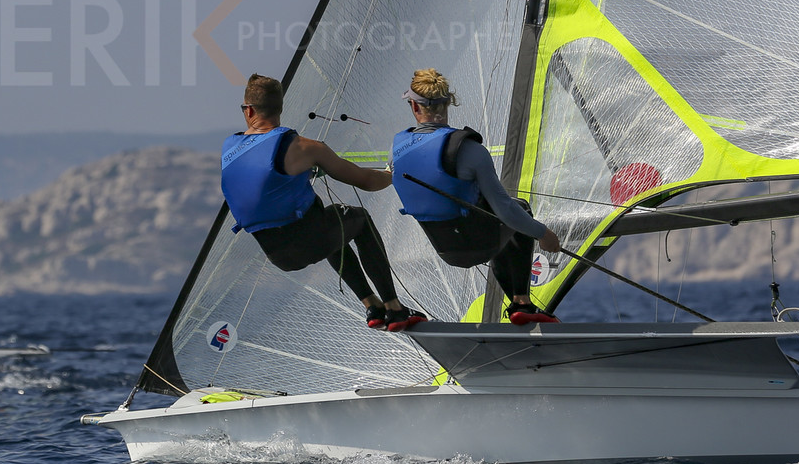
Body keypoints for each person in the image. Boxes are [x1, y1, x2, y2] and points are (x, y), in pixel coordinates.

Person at [222, 73, 424, 331]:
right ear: (280, 108)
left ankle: (372, 305)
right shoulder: (305, 148)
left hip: (279, 257)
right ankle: (394, 307)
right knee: (357, 218)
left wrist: (301, 174)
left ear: (248, 110)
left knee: (328, 220)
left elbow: (263, 176)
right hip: (311, 240)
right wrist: (390, 175)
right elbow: (366, 181)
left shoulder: (229, 149)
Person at [392, 68, 562, 325]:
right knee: (518, 209)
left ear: (414, 107)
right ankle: (521, 303)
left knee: (493, 216)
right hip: (481, 244)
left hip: (445, 250)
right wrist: (543, 234)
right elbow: (505, 210)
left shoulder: (396, 152)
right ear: (449, 102)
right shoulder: (470, 150)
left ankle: (519, 306)